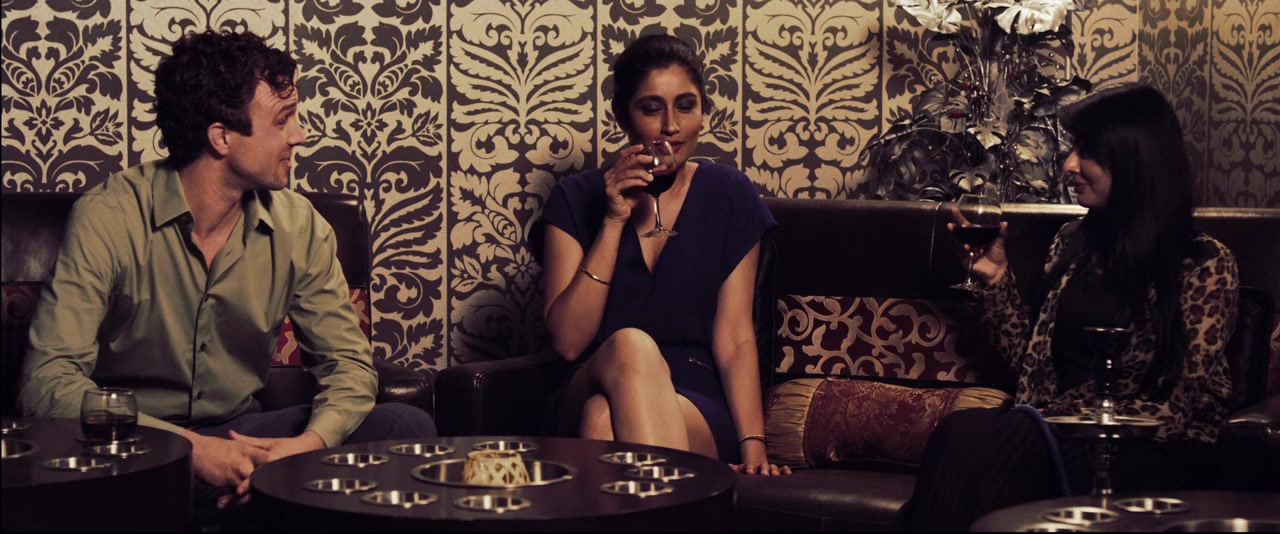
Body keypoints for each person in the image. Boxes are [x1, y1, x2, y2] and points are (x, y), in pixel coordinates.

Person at [18, 29, 436, 517]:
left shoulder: (299, 226)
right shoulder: (110, 215)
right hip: (133, 443)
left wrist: (304, 448)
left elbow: (348, 365)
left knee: (406, 426)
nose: (300, 135)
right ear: (221, 137)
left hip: (241, 432)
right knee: (120, 479)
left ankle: (252, 489)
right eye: (282, 119)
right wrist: (192, 451)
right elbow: (46, 382)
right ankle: (248, 497)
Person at [902, 84, 1238, 530]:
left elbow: (1173, 399)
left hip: (1151, 449)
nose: (1069, 165)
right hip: (1054, 435)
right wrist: (997, 280)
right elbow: (1032, 368)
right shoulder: (1071, 242)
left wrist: (1051, 420)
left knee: (983, 441)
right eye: (1072, 149)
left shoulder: (1203, 262)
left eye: (1087, 152)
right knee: (969, 440)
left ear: (1134, 159)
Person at [540, 34, 790, 476]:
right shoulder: (574, 198)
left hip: (693, 397)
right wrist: (614, 220)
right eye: (652, 108)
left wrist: (754, 446)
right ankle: (691, 509)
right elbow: (568, 342)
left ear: (703, 113)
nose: (671, 126)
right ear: (623, 116)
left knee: (601, 419)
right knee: (630, 347)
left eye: (686, 106)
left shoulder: (729, 194)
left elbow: (735, 337)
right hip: (590, 378)